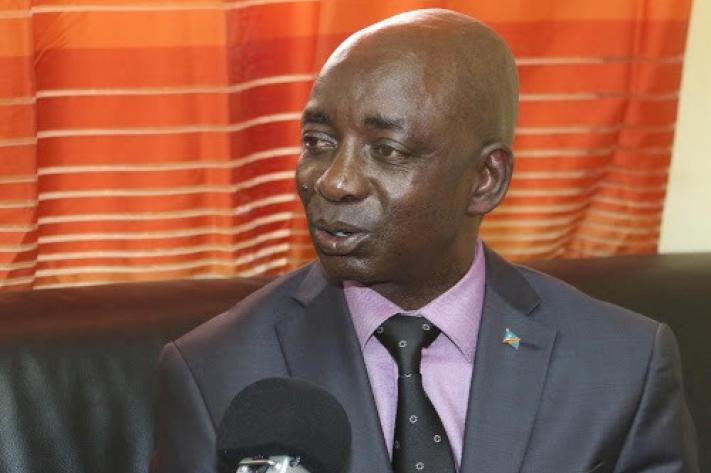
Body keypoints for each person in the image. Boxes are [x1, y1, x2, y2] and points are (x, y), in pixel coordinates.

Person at [150, 9, 698, 473]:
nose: (333, 181)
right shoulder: (214, 372)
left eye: (386, 151)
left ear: (485, 180)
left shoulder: (621, 364)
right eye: (318, 141)